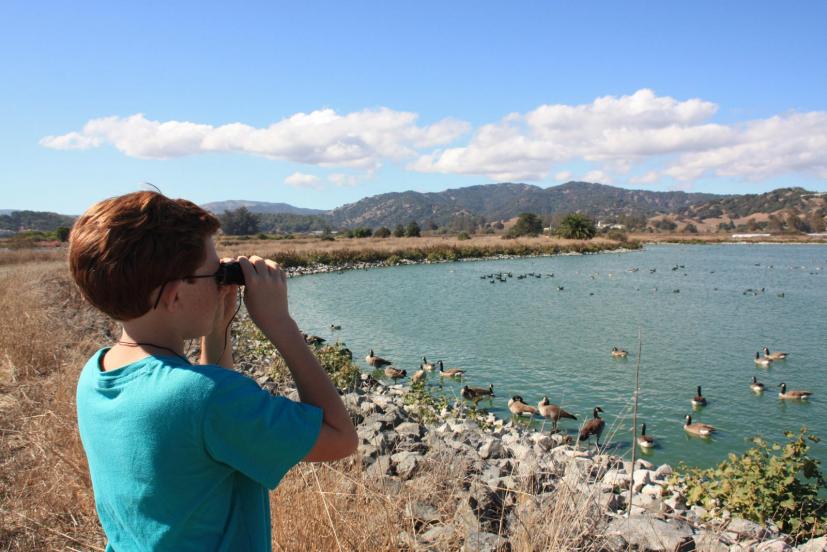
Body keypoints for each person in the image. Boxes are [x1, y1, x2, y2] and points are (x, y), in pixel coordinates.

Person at [69, 191, 357, 551]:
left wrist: (218, 327)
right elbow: (341, 438)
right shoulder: (206, 397)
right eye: (214, 272)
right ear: (175, 296)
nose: (221, 280)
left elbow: (203, 424)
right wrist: (280, 324)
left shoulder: (96, 373)